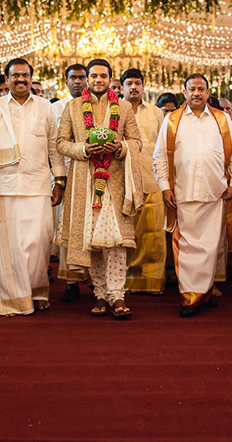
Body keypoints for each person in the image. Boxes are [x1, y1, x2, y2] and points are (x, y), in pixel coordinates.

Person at [0, 58, 67, 316]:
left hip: (38, 185)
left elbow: (54, 147)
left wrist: (59, 181)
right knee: (8, 246)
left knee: (38, 243)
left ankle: (37, 290)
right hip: (3, 186)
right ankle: (14, 299)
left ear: (31, 78)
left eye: (25, 75)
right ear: (7, 80)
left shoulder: (44, 107)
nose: (20, 79)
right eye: (15, 75)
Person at [56, 60, 142, 318]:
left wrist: (120, 148)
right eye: (93, 75)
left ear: (110, 79)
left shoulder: (124, 108)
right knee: (91, 240)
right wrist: (83, 149)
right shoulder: (72, 107)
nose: (98, 80)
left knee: (116, 242)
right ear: (87, 78)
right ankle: (100, 294)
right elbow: (61, 143)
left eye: (103, 76)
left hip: (115, 181)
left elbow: (136, 142)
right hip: (84, 181)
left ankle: (117, 295)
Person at [153, 74, 232, 317]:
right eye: (191, 89)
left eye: (201, 89)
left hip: (216, 193)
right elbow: (159, 156)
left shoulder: (222, 119)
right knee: (187, 248)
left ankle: (204, 292)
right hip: (183, 193)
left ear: (207, 92)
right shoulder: (172, 120)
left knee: (210, 248)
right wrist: (165, 187)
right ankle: (190, 298)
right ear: (184, 92)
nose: (196, 93)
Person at [121, 68, 168, 295]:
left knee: (154, 234)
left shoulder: (156, 112)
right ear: (121, 87)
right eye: (129, 83)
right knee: (126, 234)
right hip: (122, 182)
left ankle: (152, 281)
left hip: (152, 180)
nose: (133, 87)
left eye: (137, 83)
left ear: (143, 86)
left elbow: (163, 148)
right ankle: (125, 281)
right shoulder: (114, 111)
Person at [50, 64, 91, 300]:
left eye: (81, 77)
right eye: (73, 78)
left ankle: (95, 279)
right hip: (63, 174)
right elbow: (53, 145)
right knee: (66, 227)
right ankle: (71, 281)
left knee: (89, 225)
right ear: (65, 81)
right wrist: (57, 178)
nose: (77, 81)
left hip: (91, 173)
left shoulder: (98, 108)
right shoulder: (56, 108)